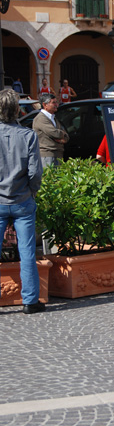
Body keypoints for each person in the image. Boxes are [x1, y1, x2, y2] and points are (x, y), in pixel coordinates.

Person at [0, 89, 45, 314]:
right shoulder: (28, 136)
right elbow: (35, 172)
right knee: (27, 252)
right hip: (22, 199)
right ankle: (30, 301)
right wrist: (32, 192)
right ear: (17, 110)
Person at [32, 93, 69, 168]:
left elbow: (66, 135)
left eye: (56, 102)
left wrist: (63, 137)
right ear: (45, 105)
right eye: (53, 102)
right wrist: (62, 134)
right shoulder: (41, 118)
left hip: (57, 154)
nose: (56, 105)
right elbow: (54, 133)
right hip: (47, 155)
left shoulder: (53, 118)